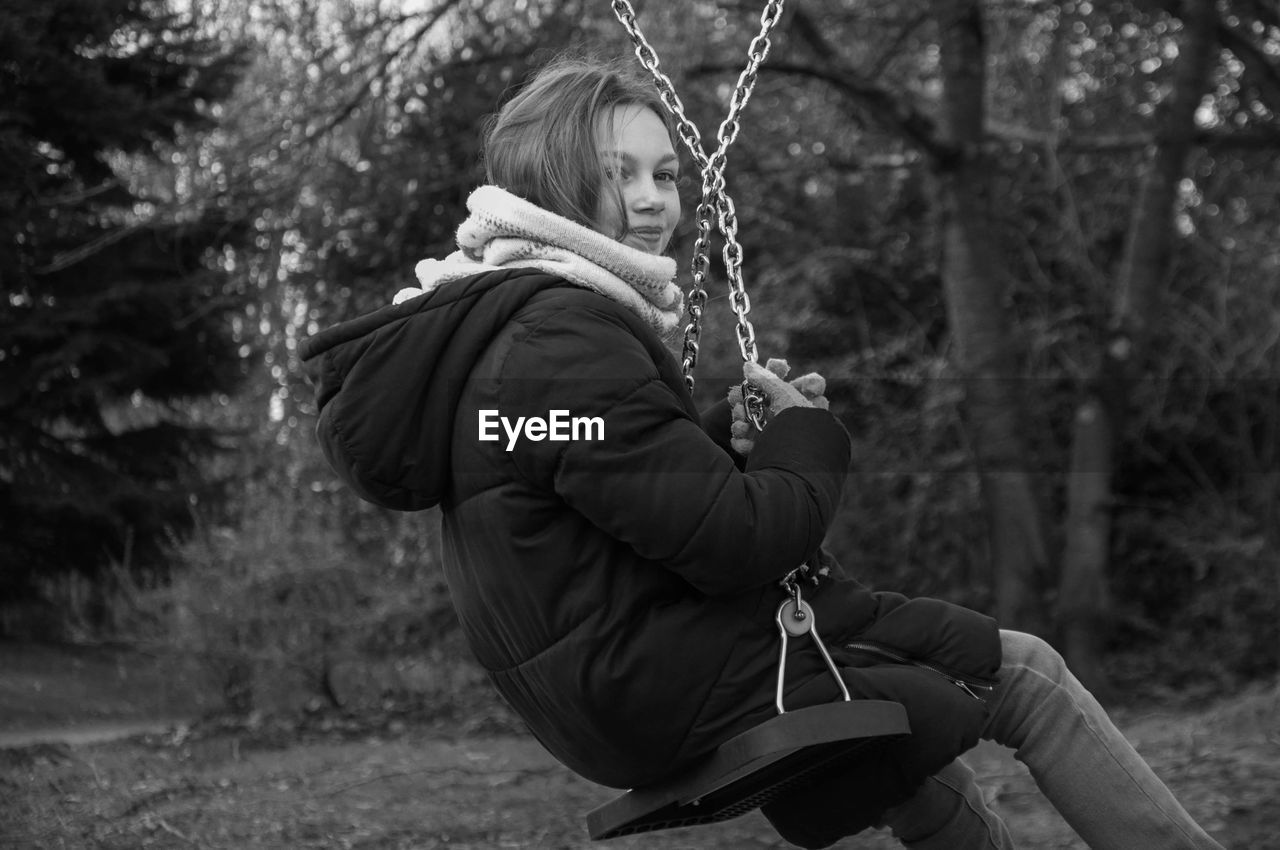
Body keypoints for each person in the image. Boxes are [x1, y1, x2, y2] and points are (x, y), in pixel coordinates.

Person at [299, 55, 1225, 850]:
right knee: (1021, 672)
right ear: (552, 183)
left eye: (666, 175)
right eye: (622, 175)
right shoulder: (564, 340)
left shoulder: (499, 331)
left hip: (614, 687)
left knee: (896, 749)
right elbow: (742, 540)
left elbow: (587, 480)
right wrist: (802, 439)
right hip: (672, 678)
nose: (655, 201)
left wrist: (716, 446)